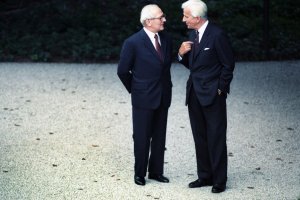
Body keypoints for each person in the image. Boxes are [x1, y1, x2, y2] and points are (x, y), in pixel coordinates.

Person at [178, 0, 235, 193]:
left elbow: (228, 64)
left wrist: (221, 89)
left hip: (213, 95)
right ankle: (205, 176)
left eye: (186, 16)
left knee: (216, 137)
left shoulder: (217, 35)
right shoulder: (192, 35)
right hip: (194, 93)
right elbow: (194, 66)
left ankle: (219, 180)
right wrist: (181, 55)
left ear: (197, 17)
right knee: (199, 136)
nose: (183, 19)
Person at [117, 4, 173, 186]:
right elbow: (123, 71)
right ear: (149, 21)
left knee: (159, 135)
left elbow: (165, 67)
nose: (164, 19)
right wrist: (136, 88)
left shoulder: (166, 39)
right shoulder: (132, 42)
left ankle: (156, 172)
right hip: (143, 97)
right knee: (142, 136)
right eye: (160, 17)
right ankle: (139, 173)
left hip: (163, 95)